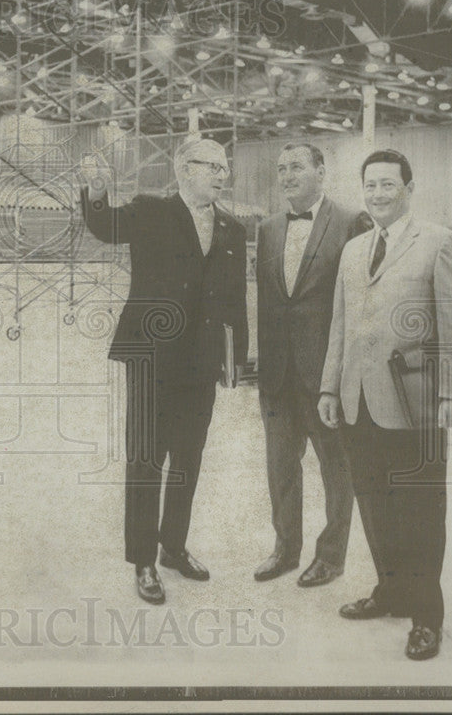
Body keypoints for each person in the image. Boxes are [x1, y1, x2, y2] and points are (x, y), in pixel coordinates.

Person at [318, 149, 452, 661]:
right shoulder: (354, 249)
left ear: (409, 187)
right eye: (371, 185)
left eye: (388, 184)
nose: (378, 193)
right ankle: (390, 591)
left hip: (416, 404)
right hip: (357, 402)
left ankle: (427, 617)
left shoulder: (438, 241)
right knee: (374, 505)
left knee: (422, 512)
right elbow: (340, 324)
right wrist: (328, 389)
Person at [79, 139, 248, 605]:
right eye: (210, 166)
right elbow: (103, 225)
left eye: (224, 167)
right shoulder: (150, 210)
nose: (220, 175)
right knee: (146, 459)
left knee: (187, 461)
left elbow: (235, 300)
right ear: (182, 169)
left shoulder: (232, 228)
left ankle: (173, 547)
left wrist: (235, 363)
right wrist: (96, 189)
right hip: (152, 357)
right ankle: (143, 560)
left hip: (202, 362)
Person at [254, 143, 370, 587]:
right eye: (281, 169)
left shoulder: (350, 222)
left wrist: (344, 374)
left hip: (326, 374)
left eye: (296, 167)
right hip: (277, 374)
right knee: (280, 466)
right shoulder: (267, 229)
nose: (287, 176)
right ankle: (285, 549)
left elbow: (360, 302)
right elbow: (268, 301)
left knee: (335, 468)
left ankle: (332, 556)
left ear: (322, 172)